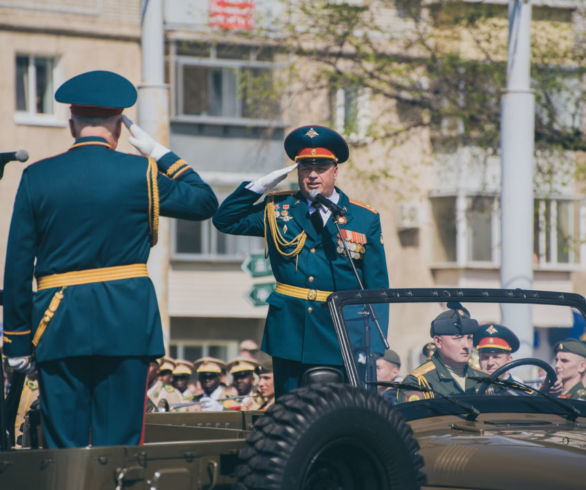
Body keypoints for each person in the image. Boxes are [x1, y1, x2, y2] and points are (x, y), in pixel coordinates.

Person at [1, 70, 218, 448]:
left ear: (72, 123)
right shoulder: (143, 173)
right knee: (118, 449)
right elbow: (204, 201)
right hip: (127, 324)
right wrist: (158, 152)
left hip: (59, 322)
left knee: (62, 452)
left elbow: (18, 265)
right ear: (119, 124)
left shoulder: (37, 177)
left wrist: (16, 342)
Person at [213, 125, 389, 397]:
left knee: (339, 412)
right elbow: (225, 220)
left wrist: (374, 347)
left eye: (320, 168)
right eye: (305, 168)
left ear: (335, 171)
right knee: (289, 409)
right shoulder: (278, 210)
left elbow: (377, 289)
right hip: (290, 331)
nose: (313, 175)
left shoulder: (363, 218)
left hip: (339, 333)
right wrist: (260, 186)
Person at [399, 308, 485, 401]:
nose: (466, 345)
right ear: (438, 341)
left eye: (469, 338)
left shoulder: (485, 379)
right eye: (457, 338)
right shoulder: (418, 382)